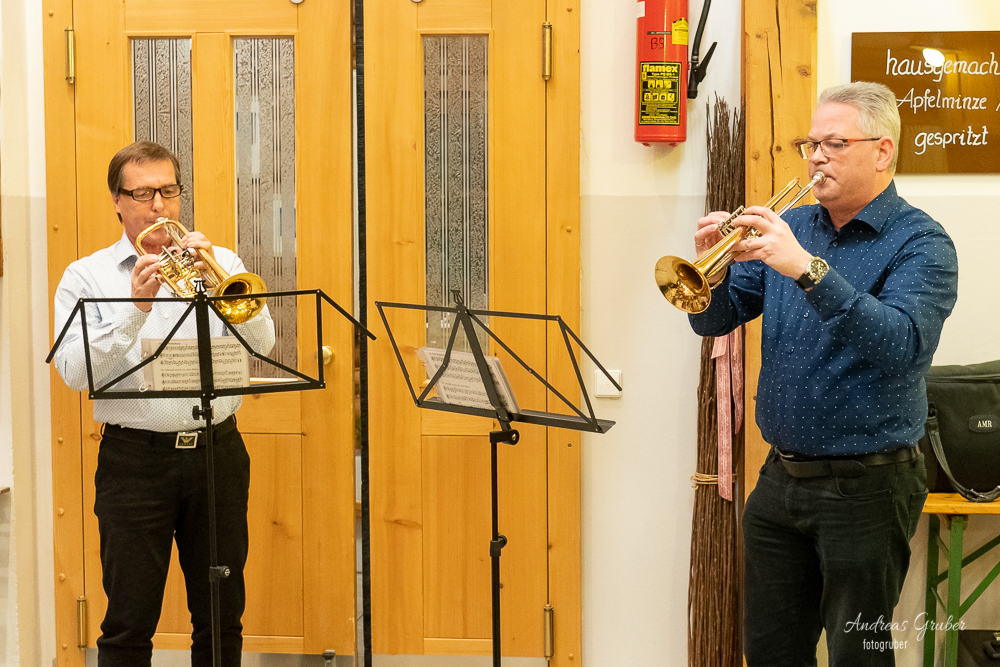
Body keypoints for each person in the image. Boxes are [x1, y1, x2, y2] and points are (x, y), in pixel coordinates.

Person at [688, 81, 958, 665]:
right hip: (780, 480)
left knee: (858, 654)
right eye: (810, 144)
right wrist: (711, 274)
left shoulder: (922, 242)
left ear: (882, 151)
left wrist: (808, 271)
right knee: (770, 649)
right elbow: (716, 320)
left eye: (834, 144)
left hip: (869, 486)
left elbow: (903, 346)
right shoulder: (796, 225)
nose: (815, 158)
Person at [53, 141, 275, 666]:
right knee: (128, 621)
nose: (159, 206)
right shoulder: (86, 276)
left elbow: (262, 343)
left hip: (217, 455)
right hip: (134, 462)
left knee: (221, 616)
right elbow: (73, 372)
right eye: (143, 193)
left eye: (169, 191)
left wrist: (218, 288)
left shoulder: (221, 263)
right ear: (117, 200)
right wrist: (135, 308)